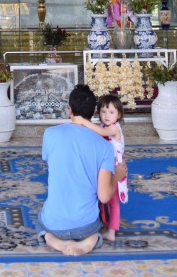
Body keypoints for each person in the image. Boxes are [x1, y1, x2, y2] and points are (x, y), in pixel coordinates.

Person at [37, 84, 126, 256]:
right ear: (93, 113)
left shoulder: (49, 134)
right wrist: (117, 176)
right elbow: (104, 196)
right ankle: (90, 241)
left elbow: (54, 169)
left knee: (41, 222)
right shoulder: (104, 146)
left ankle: (53, 240)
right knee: (96, 228)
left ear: (69, 109)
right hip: (86, 227)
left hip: (55, 225)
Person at [76, 93, 128, 242]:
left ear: (118, 115)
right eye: (103, 111)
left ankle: (112, 231)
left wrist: (83, 121)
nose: (106, 115)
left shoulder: (113, 128)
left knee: (114, 201)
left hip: (116, 169)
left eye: (111, 112)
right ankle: (104, 224)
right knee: (103, 197)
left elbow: (102, 133)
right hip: (104, 169)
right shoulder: (101, 126)